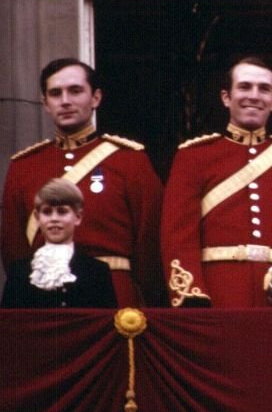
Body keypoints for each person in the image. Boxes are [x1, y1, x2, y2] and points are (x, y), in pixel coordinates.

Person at [160, 57, 272, 307]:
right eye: (245, 86)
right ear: (226, 98)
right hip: (217, 295)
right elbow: (177, 237)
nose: (255, 95)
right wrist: (193, 298)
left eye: (264, 89)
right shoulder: (193, 156)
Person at [2, 58, 164, 306]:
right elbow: (14, 251)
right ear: (45, 103)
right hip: (45, 299)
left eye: (75, 91)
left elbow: (150, 245)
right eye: (55, 94)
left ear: (95, 98)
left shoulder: (129, 161)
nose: (65, 100)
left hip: (114, 299)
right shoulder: (24, 167)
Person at [2, 178, 117, 308]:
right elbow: (9, 324)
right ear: (37, 217)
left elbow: (104, 323)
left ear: (78, 217)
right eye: (47, 212)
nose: (54, 219)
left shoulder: (97, 271)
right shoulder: (19, 272)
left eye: (62, 211)